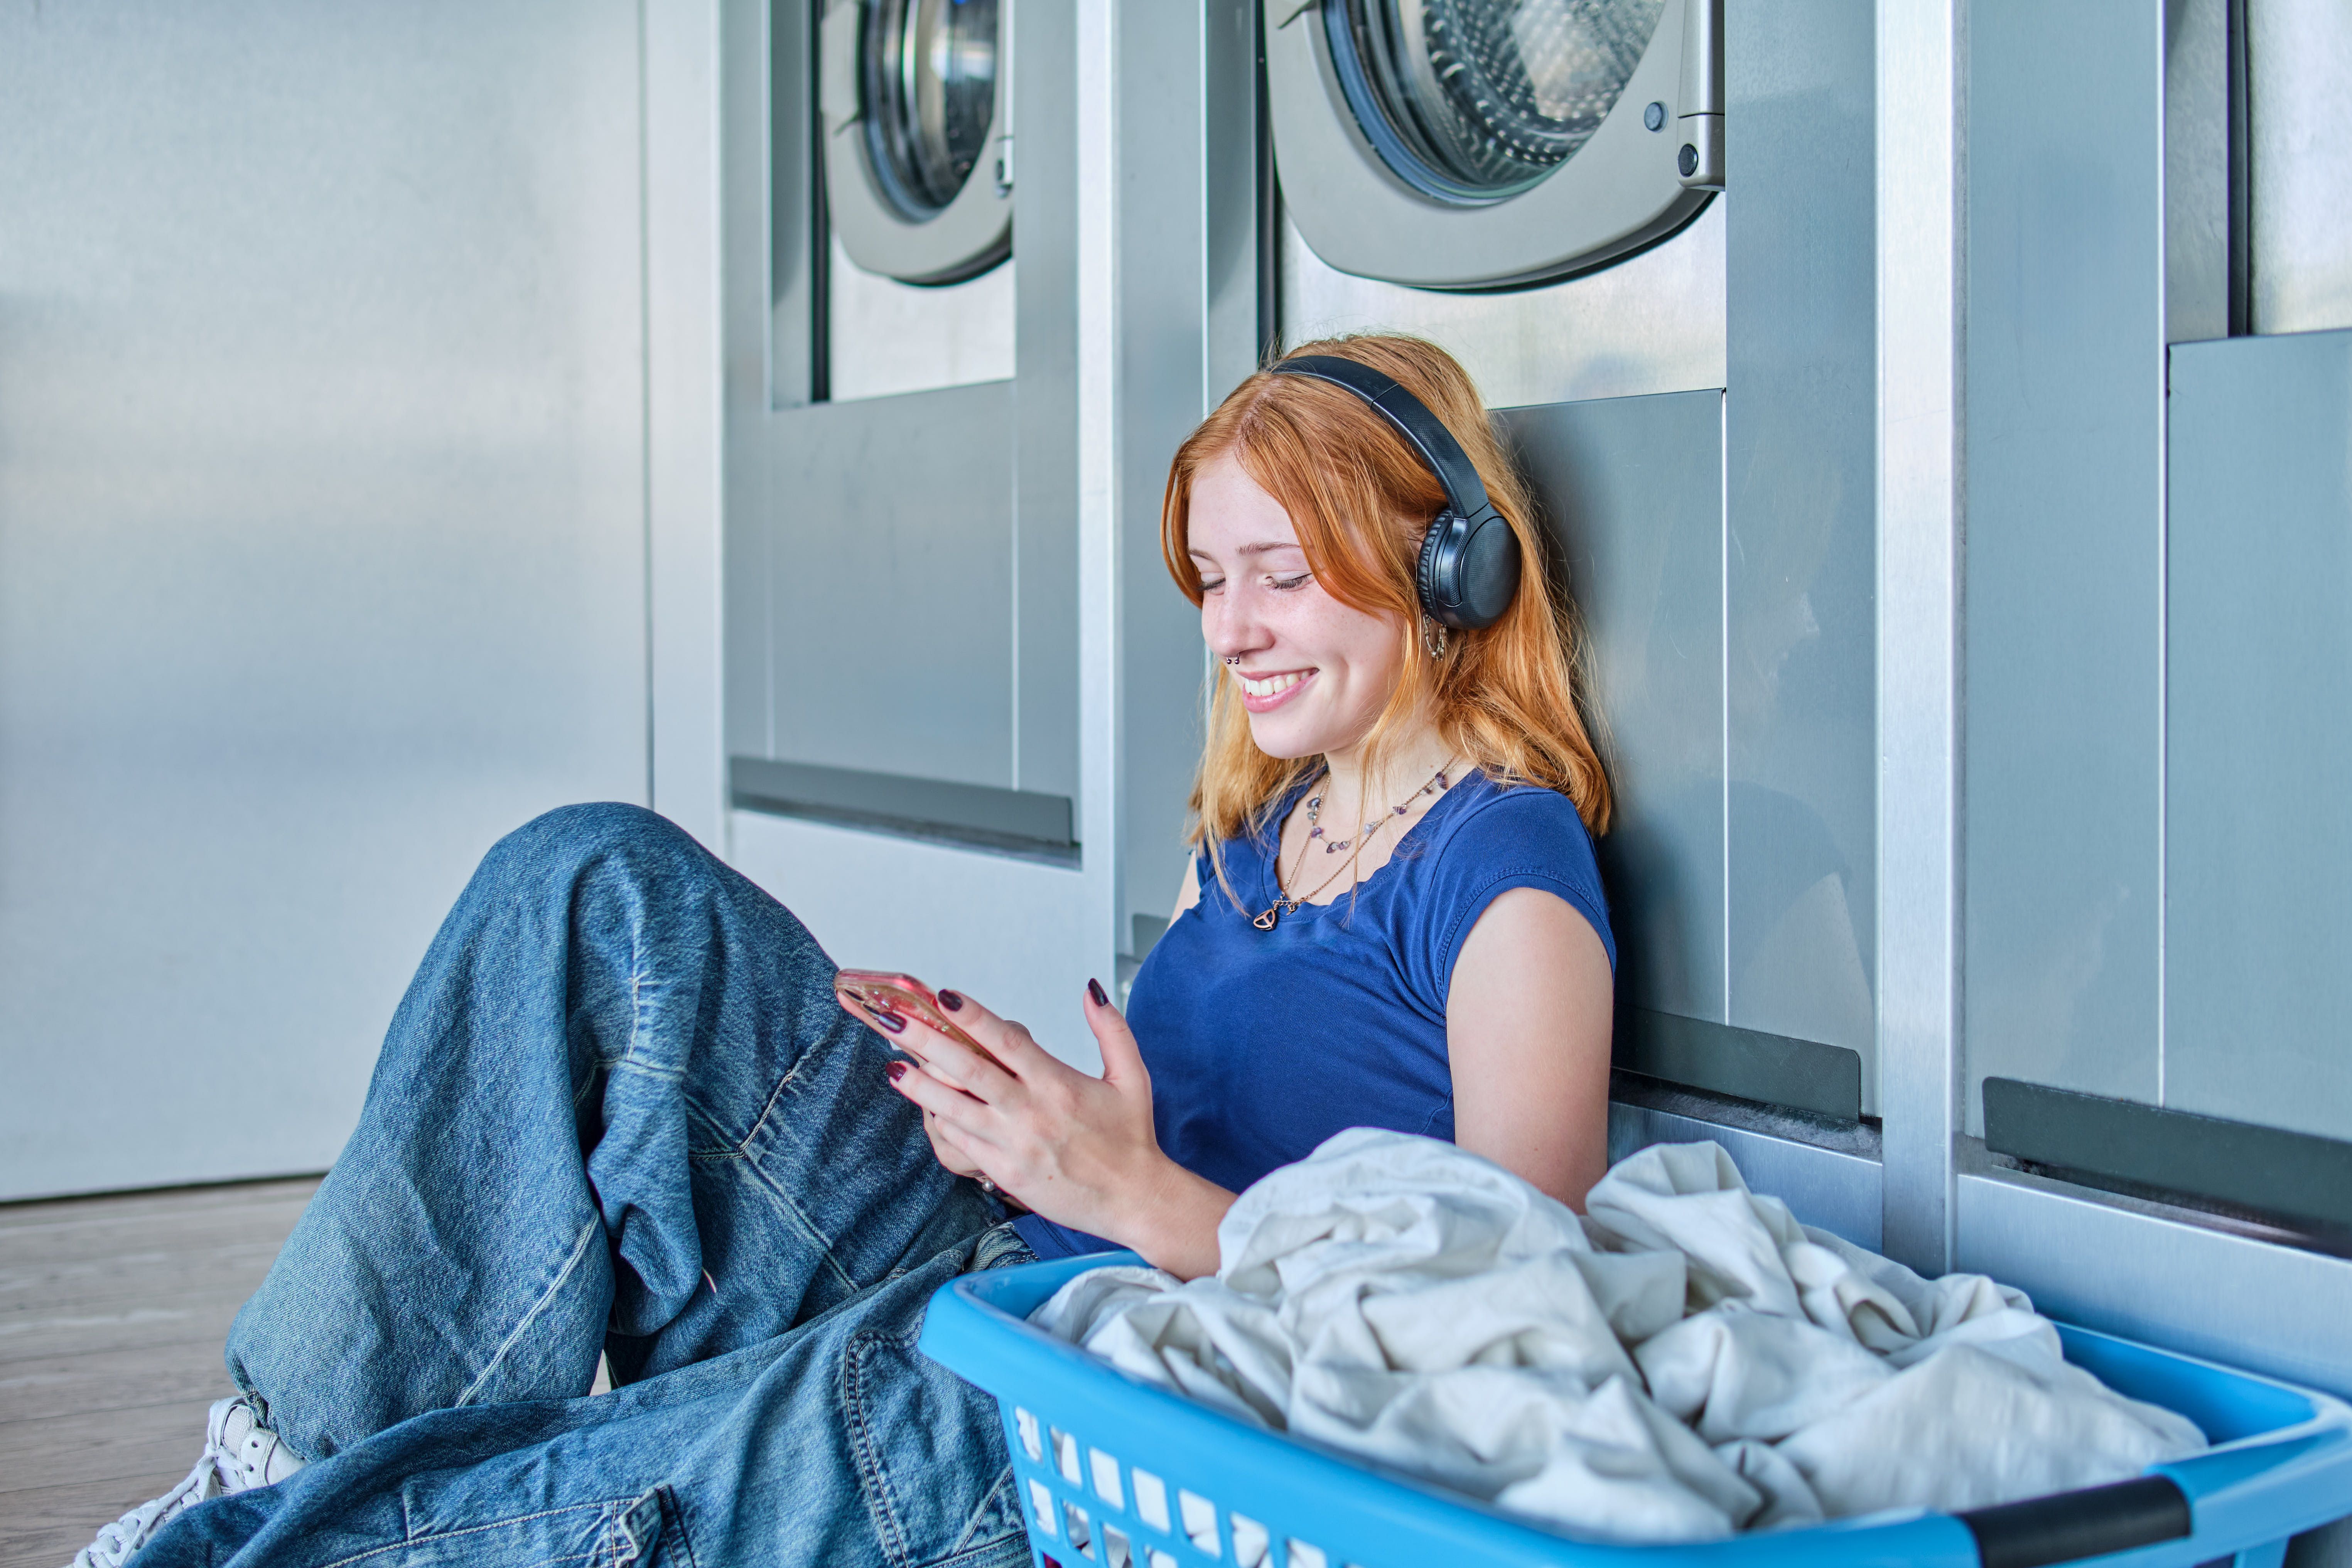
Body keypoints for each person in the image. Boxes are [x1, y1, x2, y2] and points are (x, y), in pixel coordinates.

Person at [74, 333, 1617, 1568]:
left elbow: (1501, 1311)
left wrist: (1127, 1192)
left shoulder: (1505, 871)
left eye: (1281, 575)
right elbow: (1181, 1132)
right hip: (1007, 1254)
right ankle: (273, 1455)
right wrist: (991, 1096)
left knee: (520, 1504)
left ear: (1447, 568)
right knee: (597, 887)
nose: (1230, 629)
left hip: (1096, 1407)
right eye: (1212, 581)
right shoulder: (1262, 823)